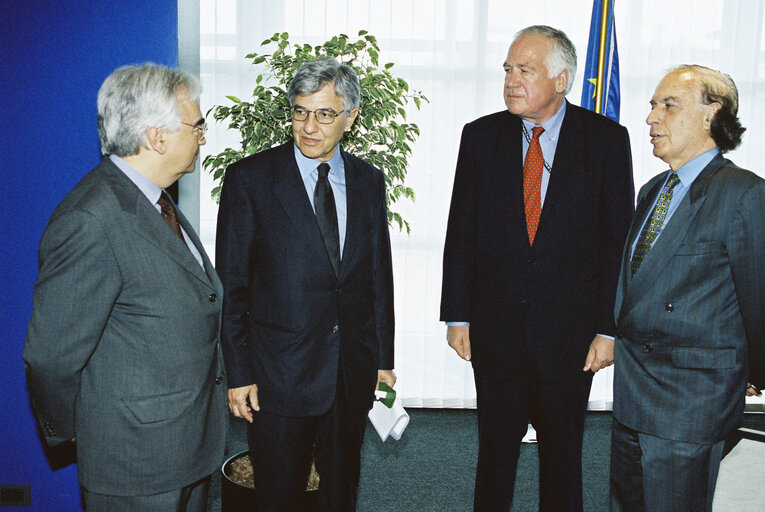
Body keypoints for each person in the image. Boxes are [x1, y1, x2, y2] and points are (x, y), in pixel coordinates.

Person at [440, 25, 634, 512]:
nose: (510, 80)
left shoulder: (607, 140)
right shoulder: (480, 136)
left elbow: (617, 243)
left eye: (525, 70)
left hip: (570, 336)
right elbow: (460, 231)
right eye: (508, 69)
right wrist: (457, 315)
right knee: (495, 453)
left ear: (562, 78)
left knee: (564, 456)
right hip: (495, 327)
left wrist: (608, 330)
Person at [23, 63, 226, 512]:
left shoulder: (154, 199)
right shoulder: (90, 218)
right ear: (157, 137)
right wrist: (82, 427)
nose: (204, 136)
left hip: (187, 447)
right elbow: (51, 355)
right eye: (197, 125)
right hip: (137, 463)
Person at [216, 56, 395, 511]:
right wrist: (238, 374)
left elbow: (378, 275)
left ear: (351, 117)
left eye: (324, 114)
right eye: (300, 111)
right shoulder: (250, 180)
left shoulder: (369, 180)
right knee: (278, 496)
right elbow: (231, 287)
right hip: (278, 376)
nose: (309, 126)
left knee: (341, 493)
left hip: (349, 373)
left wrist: (382, 359)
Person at [610, 64, 765, 512]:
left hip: (690, 406)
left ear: (710, 115)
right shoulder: (652, 190)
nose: (651, 118)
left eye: (668, 105)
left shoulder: (743, 195)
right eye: (653, 105)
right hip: (632, 396)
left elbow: (758, 301)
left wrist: (751, 375)